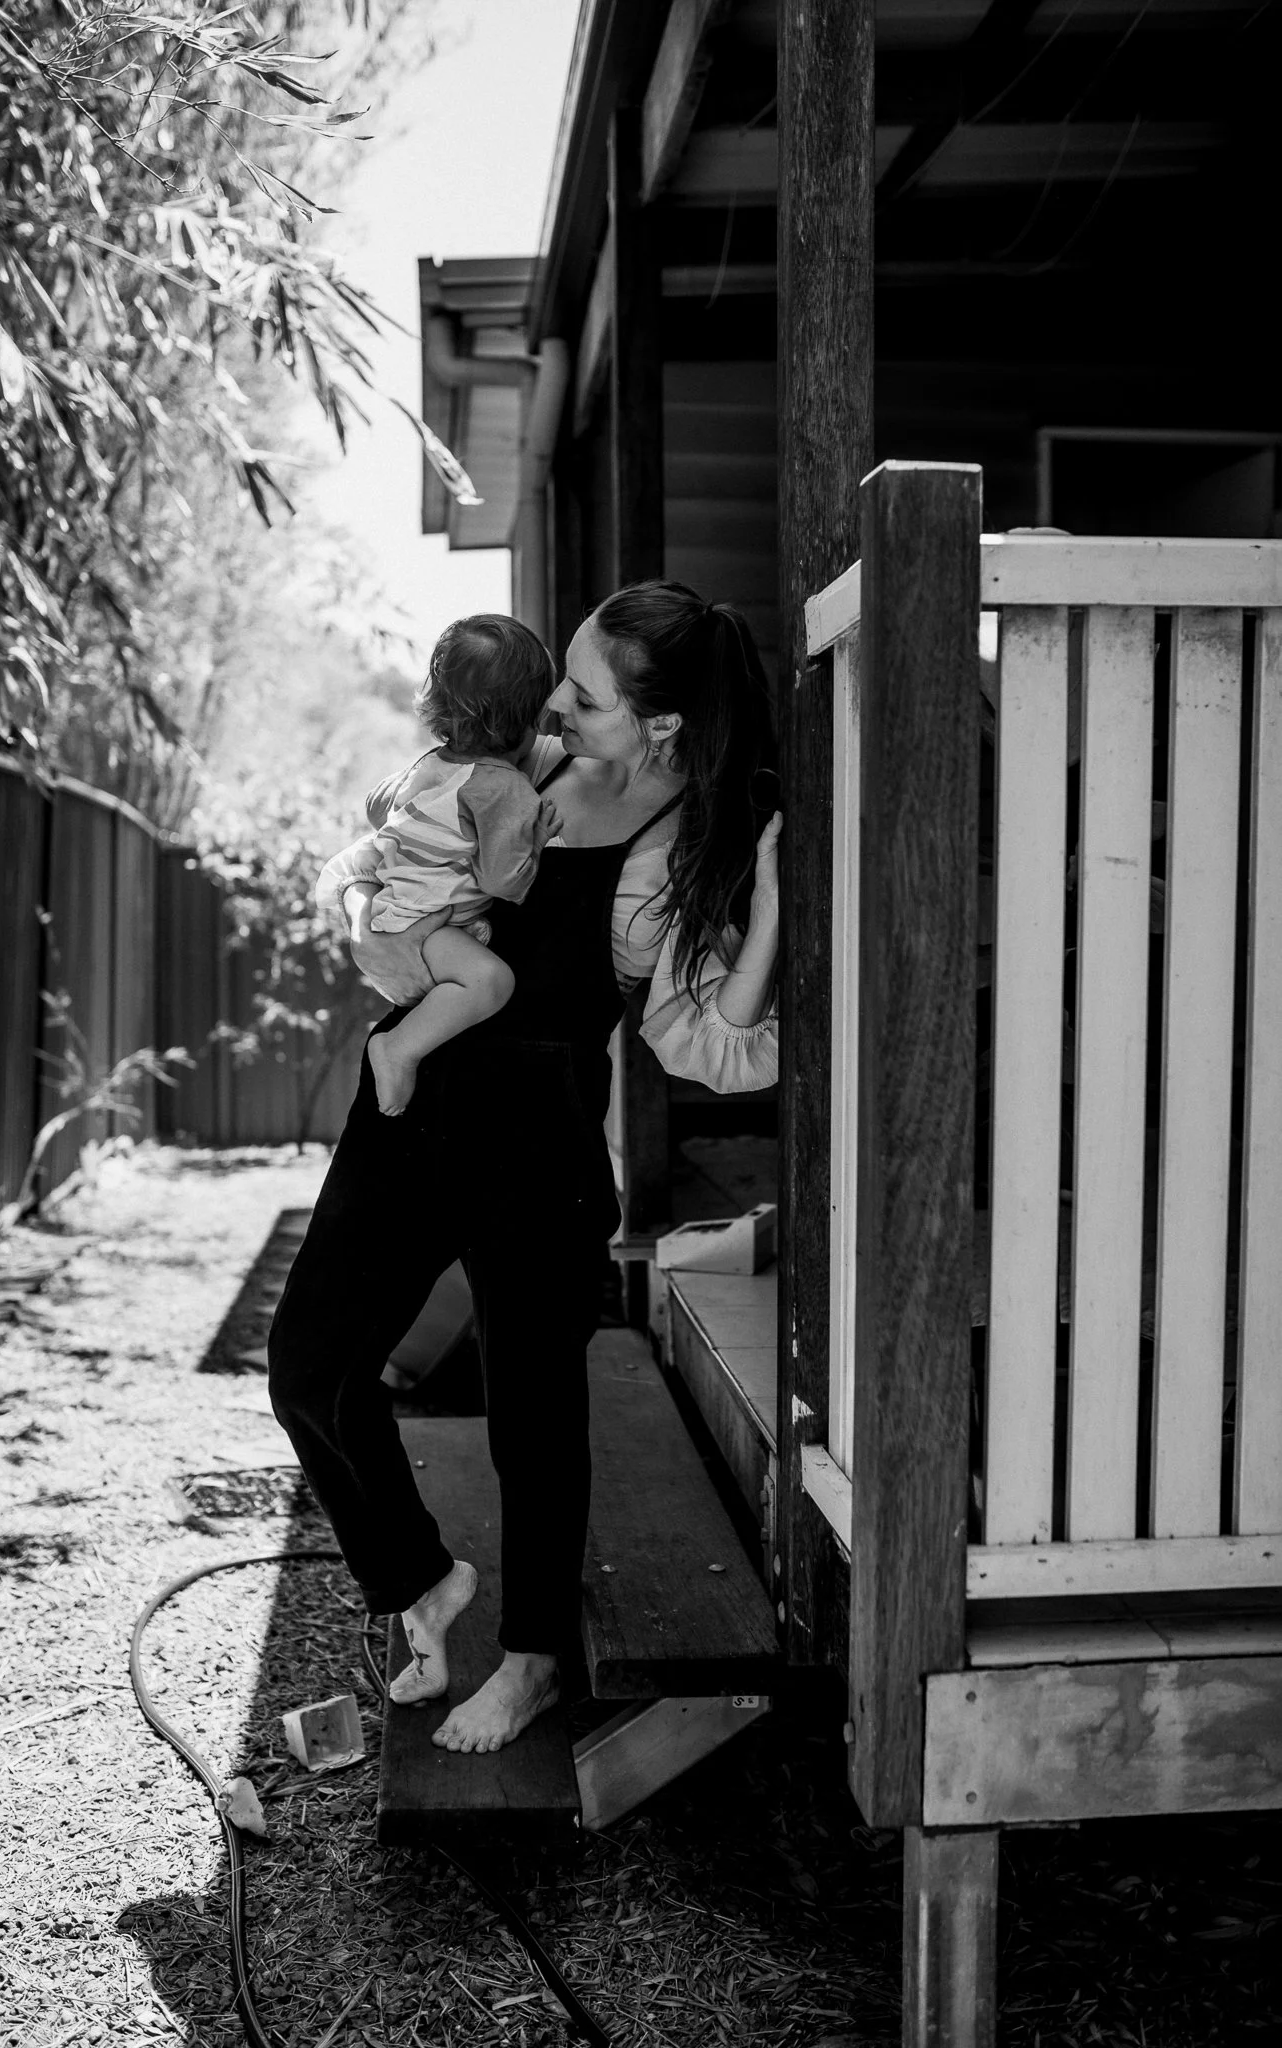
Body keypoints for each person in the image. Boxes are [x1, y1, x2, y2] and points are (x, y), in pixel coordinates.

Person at [268, 580, 781, 1756]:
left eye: (583, 697)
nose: (552, 706)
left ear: (658, 723)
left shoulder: (678, 843)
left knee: (534, 1418)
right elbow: (410, 857)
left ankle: (534, 1657)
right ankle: (418, 1573)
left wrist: (770, 905)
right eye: (560, 680)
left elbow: (705, 1043)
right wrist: (374, 910)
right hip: (407, 1107)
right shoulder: (526, 767)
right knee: (308, 1365)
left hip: (536, 1145)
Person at [321, 613, 562, 1117]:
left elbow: (376, 808)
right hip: (428, 930)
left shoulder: (427, 763)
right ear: (532, 718)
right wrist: (535, 842)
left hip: (389, 915)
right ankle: (397, 1049)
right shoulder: (506, 789)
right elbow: (502, 880)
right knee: (491, 983)